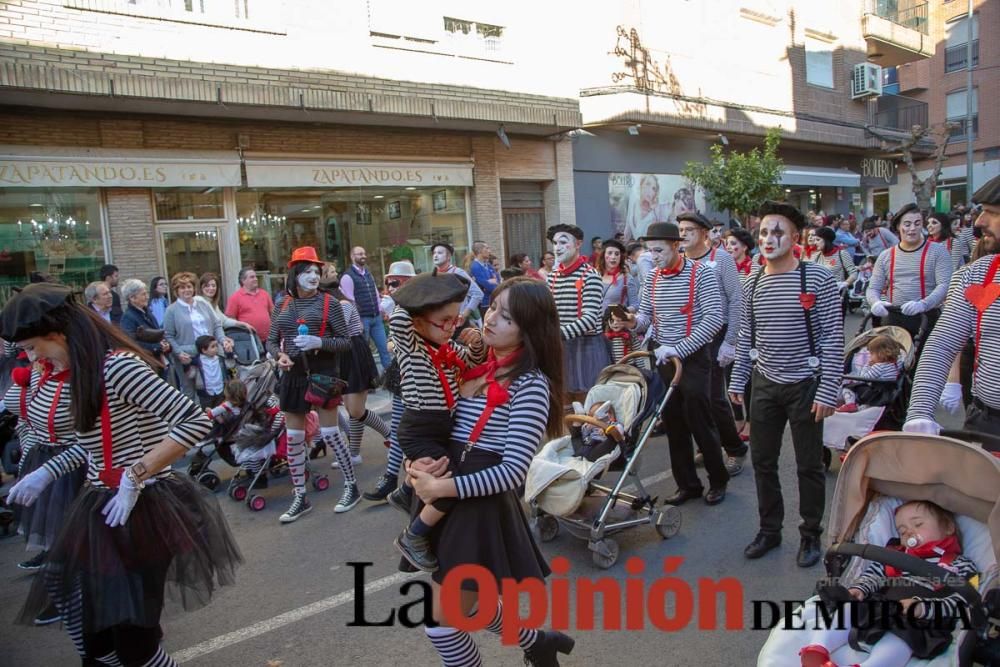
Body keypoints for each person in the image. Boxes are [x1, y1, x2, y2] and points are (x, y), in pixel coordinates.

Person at [2, 282, 241, 666]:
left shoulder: (117, 367)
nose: (31, 358)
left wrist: (136, 474)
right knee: (99, 644)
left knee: (136, 648)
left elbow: (194, 420)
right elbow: (93, 443)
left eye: (32, 348)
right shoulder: (77, 372)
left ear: (57, 334)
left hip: (144, 510)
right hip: (100, 506)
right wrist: (47, 472)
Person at [403, 277, 575, 667]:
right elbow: (440, 428)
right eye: (493, 306)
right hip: (449, 494)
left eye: (507, 316)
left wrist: (441, 486)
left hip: (477, 506)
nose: (491, 318)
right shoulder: (478, 367)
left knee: (442, 624)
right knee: (467, 608)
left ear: (530, 330)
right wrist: (416, 464)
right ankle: (538, 641)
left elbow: (514, 471)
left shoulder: (531, 385)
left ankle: (537, 641)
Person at [730, 201, 843, 567]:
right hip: (765, 382)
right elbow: (747, 333)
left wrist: (828, 389)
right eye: (763, 232)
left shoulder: (819, 278)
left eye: (777, 232)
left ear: (796, 238)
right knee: (763, 460)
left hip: (806, 385)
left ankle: (810, 534)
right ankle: (770, 530)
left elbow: (833, 337)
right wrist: (738, 380)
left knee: (809, 465)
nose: (768, 239)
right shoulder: (752, 281)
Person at [619, 221, 729, 505]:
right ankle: (688, 485)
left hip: (692, 359)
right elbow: (645, 317)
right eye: (650, 251)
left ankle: (718, 479)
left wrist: (678, 348)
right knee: (674, 423)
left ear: (676, 246)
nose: (653, 256)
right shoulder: (652, 278)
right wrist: (630, 322)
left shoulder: (702, 273)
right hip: (663, 356)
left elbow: (715, 319)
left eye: (659, 250)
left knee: (700, 421)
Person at [383, 272, 486, 571]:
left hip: (440, 427)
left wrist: (475, 342)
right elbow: (400, 315)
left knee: (438, 473)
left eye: (455, 320)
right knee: (448, 486)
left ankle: (405, 493)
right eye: (444, 320)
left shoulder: (446, 348)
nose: (452, 327)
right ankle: (413, 537)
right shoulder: (411, 343)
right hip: (419, 428)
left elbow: (472, 362)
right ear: (418, 321)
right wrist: (430, 287)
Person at [798, 501, 978, 666]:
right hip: (882, 604)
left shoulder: (960, 565)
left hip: (919, 617)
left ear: (948, 527)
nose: (908, 532)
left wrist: (924, 607)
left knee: (899, 641)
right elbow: (874, 574)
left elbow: (961, 601)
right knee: (847, 609)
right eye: (901, 530)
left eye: (918, 524)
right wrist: (860, 588)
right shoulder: (896, 555)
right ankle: (817, 649)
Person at [904, 175, 1000, 436]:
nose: (979, 222)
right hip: (987, 424)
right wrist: (919, 413)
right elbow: (942, 345)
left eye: (991, 213)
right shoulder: (975, 274)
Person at [268, 247, 358, 521]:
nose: (313, 276)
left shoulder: (330, 303)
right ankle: (300, 496)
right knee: (294, 439)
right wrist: (279, 356)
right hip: (293, 374)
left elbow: (346, 342)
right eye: (307, 271)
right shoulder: (282, 303)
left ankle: (351, 487)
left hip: (322, 371)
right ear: (295, 274)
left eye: (317, 272)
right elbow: (271, 340)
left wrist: (320, 342)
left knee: (330, 433)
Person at [3, 332, 86, 626]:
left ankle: (117, 612)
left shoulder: (85, 373)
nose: (32, 355)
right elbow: (16, 406)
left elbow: (92, 439)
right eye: (26, 350)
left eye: (32, 347)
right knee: (61, 544)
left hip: (75, 469)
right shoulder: (41, 373)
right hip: (45, 459)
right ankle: (71, 602)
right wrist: (25, 379)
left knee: (79, 544)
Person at [678, 212, 746, 475]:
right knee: (694, 398)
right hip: (690, 337)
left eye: (689, 229)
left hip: (718, 335)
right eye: (680, 229)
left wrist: (730, 341)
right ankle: (709, 445)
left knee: (715, 397)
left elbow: (736, 300)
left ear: (704, 233)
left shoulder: (722, 259)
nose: (682, 234)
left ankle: (735, 448)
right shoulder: (681, 260)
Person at [363, 261, 417, 503]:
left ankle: (409, 484)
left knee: (421, 431)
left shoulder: (417, 307)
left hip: (421, 374)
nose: (390, 287)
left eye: (394, 283)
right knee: (397, 428)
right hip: (402, 372)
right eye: (388, 283)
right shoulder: (397, 307)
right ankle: (391, 477)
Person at [867, 204, 952, 340]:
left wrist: (923, 304)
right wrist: (875, 302)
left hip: (926, 319)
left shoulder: (938, 251)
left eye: (917, 224)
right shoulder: (886, 255)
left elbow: (944, 285)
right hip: (894, 320)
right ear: (898, 227)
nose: (912, 229)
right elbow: (873, 287)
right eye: (907, 224)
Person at [329, 276, 390, 464]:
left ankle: (393, 437)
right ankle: (354, 453)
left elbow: (338, 331)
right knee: (351, 408)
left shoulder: (343, 305)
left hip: (355, 353)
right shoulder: (336, 305)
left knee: (356, 409)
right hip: (344, 355)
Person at [545, 223, 609, 403]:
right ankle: (573, 432)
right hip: (561, 346)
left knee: (589, 399)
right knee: (563, 398)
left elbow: (589, 319)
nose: (557, 248)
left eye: (563, 242)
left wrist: (555, 335)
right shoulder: (552, 276)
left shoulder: (591, 275)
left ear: (578, 244)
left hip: (587, 346)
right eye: (555, 243)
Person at [163, 272, 232, 402]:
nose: (186, 290)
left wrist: (223, 340)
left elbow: (217, 324)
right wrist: (178, 353)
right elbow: (168, 336)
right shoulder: (171, 310)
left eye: (189, 286)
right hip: (187, 357)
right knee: (189, 392)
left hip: (210, 354)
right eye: (182, 287)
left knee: (214, 391)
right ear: (176, 291)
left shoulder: (203, 304)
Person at [340, 246, 392, 372]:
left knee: (384, 349)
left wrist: (381, 310)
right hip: (362, 319)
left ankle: (391, 379)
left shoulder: (368, 273)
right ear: (352, 257)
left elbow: (374, 292)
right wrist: (357, 321)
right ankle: (369, 381)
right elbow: (350, 301)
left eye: (364, 253)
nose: (363, 256)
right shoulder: (347, 276)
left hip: (376, 318)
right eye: (359, 254)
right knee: (364, 352)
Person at [598, 239, 639, 363]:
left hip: (617, 328)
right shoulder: (594, 276)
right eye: (609, 253)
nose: (613, 257)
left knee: (619, 363)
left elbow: (635, 305)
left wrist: (621, 313)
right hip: (597, 328)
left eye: (617, 254)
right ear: (603, 255)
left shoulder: (627, 278)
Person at [837, 334, 902, 413]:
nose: (870, 357)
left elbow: (864, 378)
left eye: (871, 354)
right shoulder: (896, 364)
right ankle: (861, 407)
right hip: (888, 392)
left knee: (848, 387)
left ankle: (850, 404)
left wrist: (867, 365)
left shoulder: (878, 367)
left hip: (875, 393)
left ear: (880, 354)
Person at [119, 278, 171, 374]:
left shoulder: (147, 312)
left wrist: (165, 343)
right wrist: (157, 347)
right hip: (147, 365)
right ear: (132, 298)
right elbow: (131, 343)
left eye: (146, 293)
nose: (147, 297)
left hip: (159, 361)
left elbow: (157, 331)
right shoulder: (128, 318)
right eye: (143, 294)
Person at [806, 226, 858, 318]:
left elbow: (853, 272)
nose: (815, 243)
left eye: (818, 240)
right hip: (820, 297)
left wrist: (845, 283)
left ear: (826, 240)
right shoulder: (816, 256)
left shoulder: (841, 253)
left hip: (837, 296)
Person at [431, 242, 483, 326]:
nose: (436, 255)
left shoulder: (458, 273)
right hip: (441, 323)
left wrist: (464, 314)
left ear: (448, 257)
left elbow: (478, 293)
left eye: (440, 253)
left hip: (458, 324)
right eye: (434, 253)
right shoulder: (433, 275)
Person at [186, 335, 234, 409]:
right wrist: (187, 364)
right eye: (213, 346)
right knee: (207, 412)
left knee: (220, 411)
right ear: (204, 350)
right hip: (205, 393)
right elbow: (190, 375)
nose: (216, 348)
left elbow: (230, 365)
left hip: (220, 390)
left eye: (216, 345)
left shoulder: (220, 359)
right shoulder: (196, 361)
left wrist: (229, 354)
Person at [225, 267, 274, 336]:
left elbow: (273, 313)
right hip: (248, 339)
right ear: (243, 280)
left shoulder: (264, 294)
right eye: (252, 277)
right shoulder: (235, 298)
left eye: (255, 276)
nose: (256, 279)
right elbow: (230, 320)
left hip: (268, 338)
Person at [469, 241, 501, 317]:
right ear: (480, 251)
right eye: (487, 248)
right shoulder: (475, 266)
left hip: (492, 301)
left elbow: (498, 280)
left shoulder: (488, 265)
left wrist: (490, 281)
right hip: (484, 303)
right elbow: (488, 286)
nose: (489, 251)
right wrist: (489, 282)